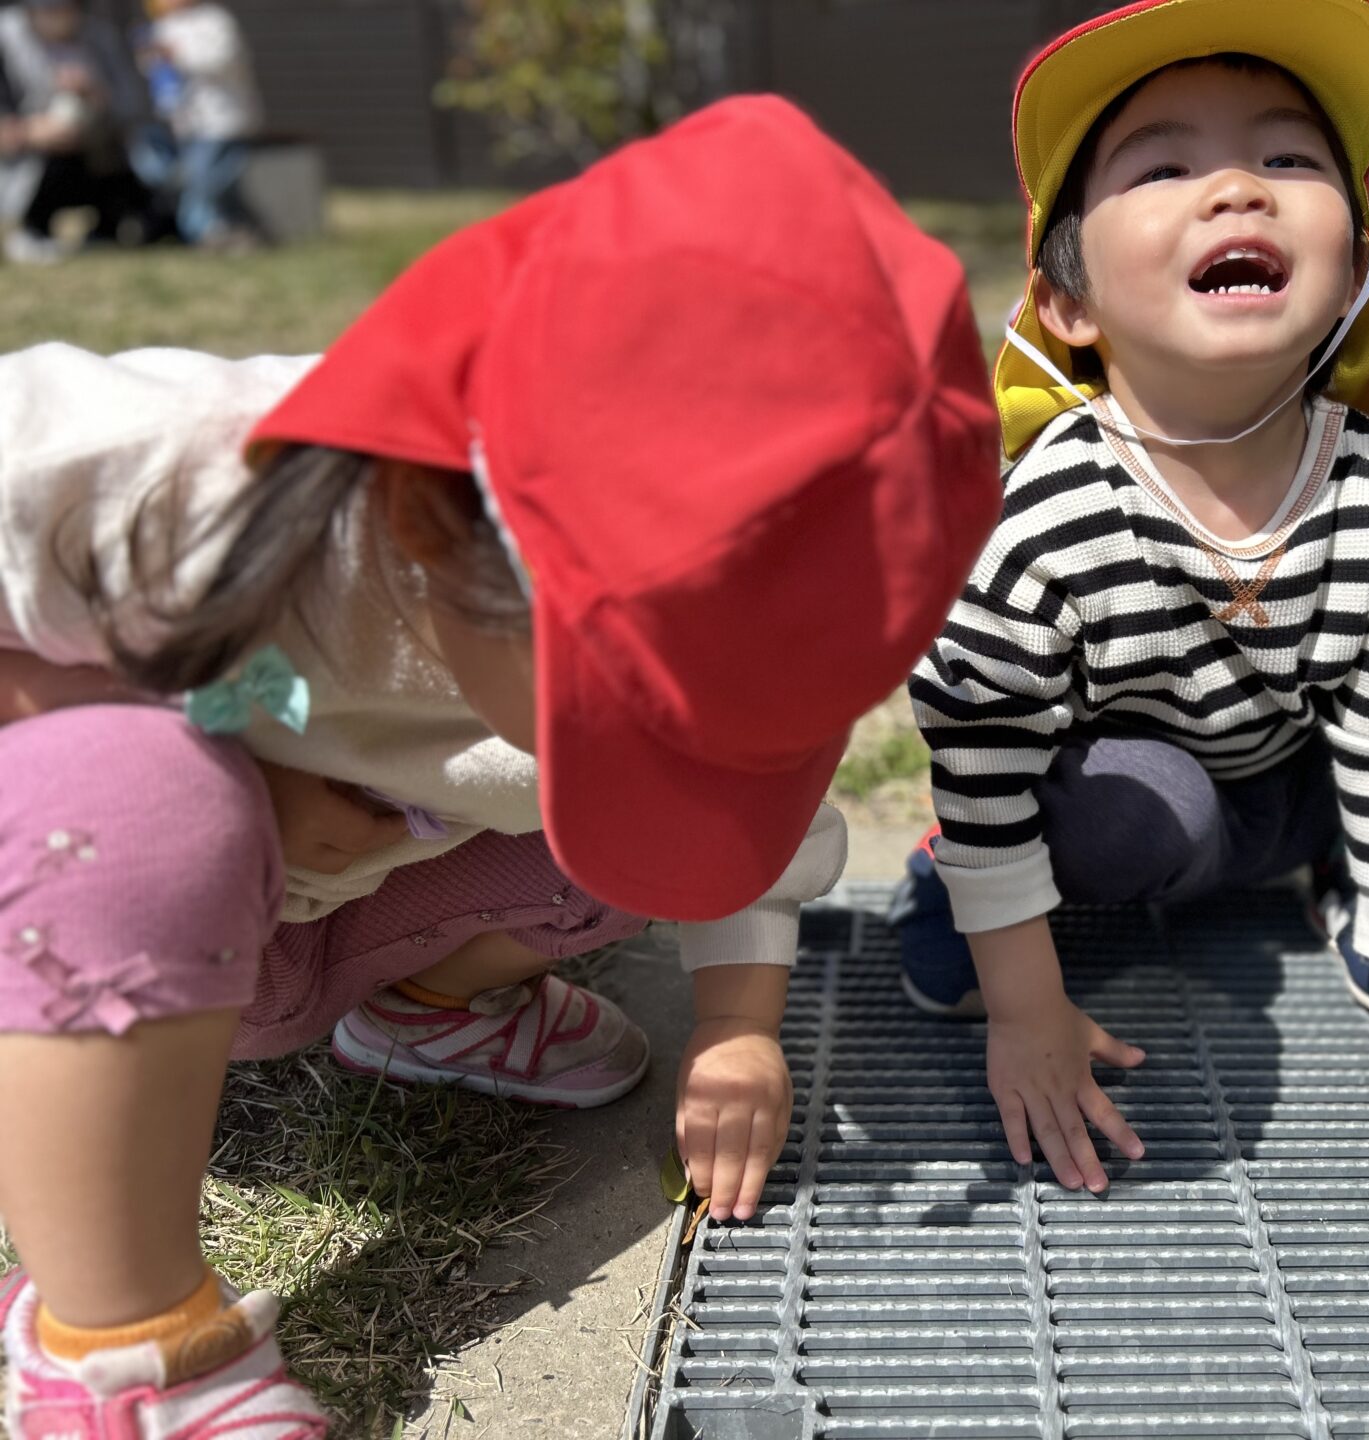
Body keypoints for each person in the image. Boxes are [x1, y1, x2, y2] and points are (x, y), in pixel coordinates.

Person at [0, 94, 1001, 1436]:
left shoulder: (668, 615)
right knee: (148, 796)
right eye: (629, 717)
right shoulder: (160, 476)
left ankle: (424, 1013)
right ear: (435, 523)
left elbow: (761, 845)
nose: (677, 756)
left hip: (328, 934)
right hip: (120, 931)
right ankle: (124, 1349)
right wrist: (216, 761)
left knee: (634, 853)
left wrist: (737, 1031)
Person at [893, 0, 1369, 1196]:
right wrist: (1026, 1006)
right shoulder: (1044, 514)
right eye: (1164, 167)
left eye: (1289, 158)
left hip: (1304, 778)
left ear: (1357, 266)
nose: (1238, 189)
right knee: (1134, 804)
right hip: (1140, 802)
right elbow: (986, 744)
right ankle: (955, 896)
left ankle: (1358, 896)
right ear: (1068, 305)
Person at [0, 0, 149, 263]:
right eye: (49, 10)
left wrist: (97, 96)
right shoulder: (7, 39)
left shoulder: (99, 37)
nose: (60, 16)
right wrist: (28, 132)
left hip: (94, 149)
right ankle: (29, 229)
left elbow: (136, 104)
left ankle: (106, 227)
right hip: (26, 160)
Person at [131, 0, 263, 248]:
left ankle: (204, 232)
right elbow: (154, 70)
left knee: (204, 182)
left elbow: (223, 59)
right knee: (201, 181)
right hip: (184, 124)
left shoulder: (213, 20)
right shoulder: (162, 26)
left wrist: (176, 55)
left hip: (221, 121)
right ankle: (224, 228)